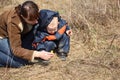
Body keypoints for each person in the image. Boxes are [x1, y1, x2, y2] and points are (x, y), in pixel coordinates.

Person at [0, 1, 54, 68]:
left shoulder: (32, 13)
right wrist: (38, 54)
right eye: (32, 20)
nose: (36, 21)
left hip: (14, 36)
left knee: (27, 55)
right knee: (20, 63)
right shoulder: (13, 23)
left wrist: (66, 29)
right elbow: (16, 49)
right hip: (2, 37)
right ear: (22, 16)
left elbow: (52, 15)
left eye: (37, 18)